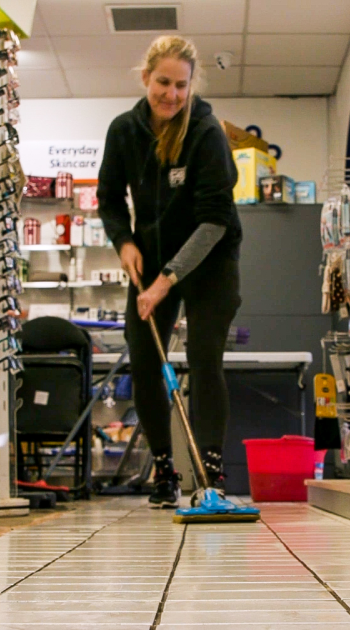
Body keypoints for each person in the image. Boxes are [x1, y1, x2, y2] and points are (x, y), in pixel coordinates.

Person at [97, 35, 242, 508]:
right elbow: (108, 199)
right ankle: (164, 469)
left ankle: (211, 471)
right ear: (146, 78)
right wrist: (123, 242)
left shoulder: (205, 132)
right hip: (151, 257)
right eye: (163, 82)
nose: (171, 95)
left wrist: (166, 282)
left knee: (204, 360)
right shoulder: (123, 131)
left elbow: (215, 219)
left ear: (190, 85)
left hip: (210, 255)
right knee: (143, 363)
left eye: (181, 85)